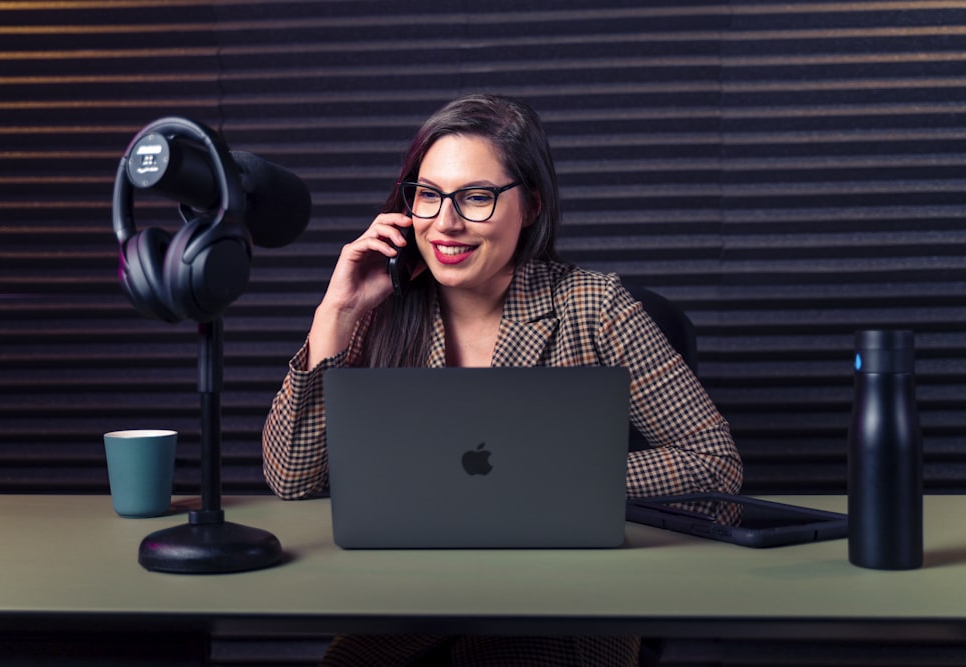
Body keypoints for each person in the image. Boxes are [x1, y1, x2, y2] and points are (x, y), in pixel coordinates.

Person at [262, 93, 743, 666]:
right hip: (411, 600)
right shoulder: (380, 312)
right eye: (429, 195)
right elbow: (291, 479)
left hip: (565, 599)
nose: (445, 223)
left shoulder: (594, 307)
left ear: (531, 205)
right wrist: (334, 315)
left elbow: (715, 465)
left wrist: (542, 483)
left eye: (476, 198)